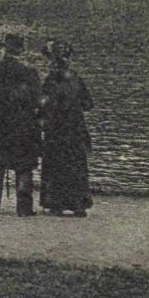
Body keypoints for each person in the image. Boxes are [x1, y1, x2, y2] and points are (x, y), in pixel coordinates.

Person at [0, 33, 42, 216]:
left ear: (4, 48)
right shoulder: (29, 73)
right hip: (22, 124)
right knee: (24, 166)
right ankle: (24, 207)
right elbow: (36, 100)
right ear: (21, 50)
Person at [38, 39, 93, 217]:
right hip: (75, 128)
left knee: (56, 164)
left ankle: (56, 203)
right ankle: (78, 203)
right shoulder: (76, 79)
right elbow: (88, 103)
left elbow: (43, 104)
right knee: (76, 164)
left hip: (56, 129)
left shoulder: (50, 81)